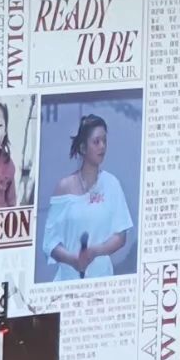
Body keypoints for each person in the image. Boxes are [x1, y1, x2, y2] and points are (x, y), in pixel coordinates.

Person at [41, 113, 133, 281]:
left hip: (103, 279)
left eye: (104, 141)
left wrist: (95, 251)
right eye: (96, 142)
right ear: (83, 148)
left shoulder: (112, 184)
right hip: (67, 280)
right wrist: (73, 260)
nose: (102, 146)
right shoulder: (64, 187)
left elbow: (120, 236)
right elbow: (50, 243)